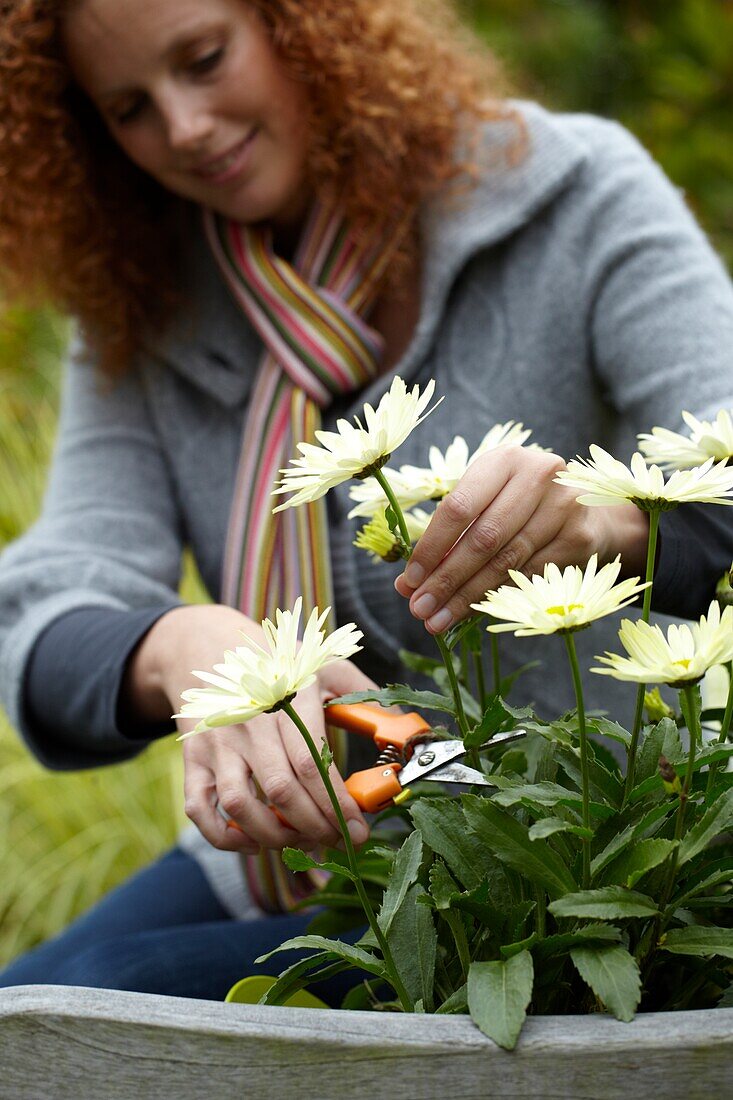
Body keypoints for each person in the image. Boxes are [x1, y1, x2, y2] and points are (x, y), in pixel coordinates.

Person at [0, 0, 732, 1000]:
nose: (184, 127)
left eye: (205, 60)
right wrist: (186, 649)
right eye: (127, 108)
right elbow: (44, 608)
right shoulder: (147, 294)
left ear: (307, 28)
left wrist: (607, 522)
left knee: (111, 1002)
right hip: (290, 849)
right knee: (33, 1010)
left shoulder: (574, 194)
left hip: (573, 853)